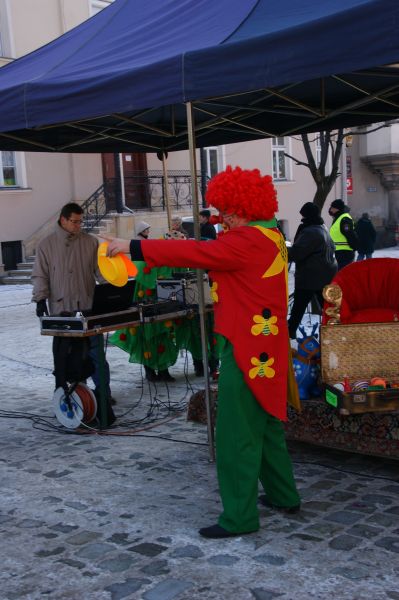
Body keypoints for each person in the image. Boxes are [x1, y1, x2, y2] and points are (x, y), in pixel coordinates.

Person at [103, 166, 300, 539]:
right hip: (266, 347)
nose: (221, 217)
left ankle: (239, 518)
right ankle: (284, 495)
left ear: (242, 206)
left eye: (226, 209)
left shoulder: (247, 240)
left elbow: (195, 251)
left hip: (247, 348)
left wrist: (132, 246)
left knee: (235, 435)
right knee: (267, 425)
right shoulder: (271, 234)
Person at [31, 202, 116, 420]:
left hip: (88, 307)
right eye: (75, 221)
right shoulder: (46, 245)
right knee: (66, 357)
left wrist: (114, 289)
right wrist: (40, 299)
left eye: (81, 221)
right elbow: (40, 274)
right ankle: (71, 393)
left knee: (96, 354)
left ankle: (103, 393)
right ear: (63, 220)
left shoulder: (90, 242)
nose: (79, 225)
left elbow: (100, 271)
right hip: (61, 310)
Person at [287, 202, 337, 340]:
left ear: (306, 215)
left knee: (299, 306)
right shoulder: (322, 228)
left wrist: (282, 249)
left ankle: (290, 331)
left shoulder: (310, 231)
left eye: (303, 215)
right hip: (325, 274)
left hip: (310, 276)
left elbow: (296, 253)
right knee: (327, 307)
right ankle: (335, 330)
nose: (301, 218)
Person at [328, 199, 358, 270]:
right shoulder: (339, 218)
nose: (330, 210)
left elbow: (349, 234)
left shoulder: (344, 219)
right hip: (340, 251)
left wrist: (354, 246)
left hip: (345, 252)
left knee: (344, 274)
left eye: (332, 208)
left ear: (336, 209)